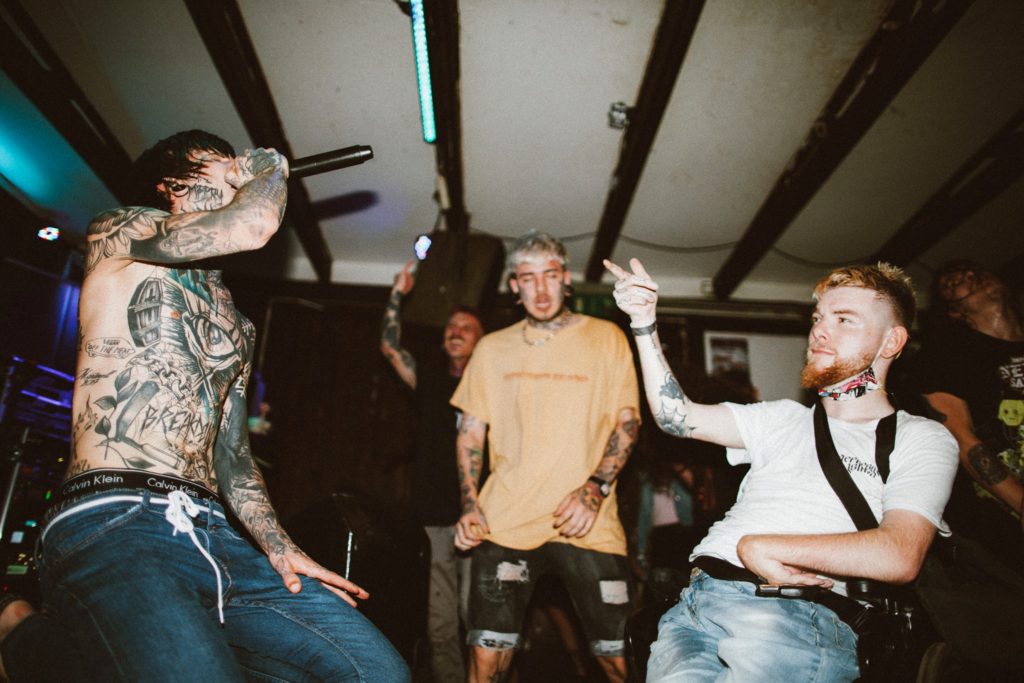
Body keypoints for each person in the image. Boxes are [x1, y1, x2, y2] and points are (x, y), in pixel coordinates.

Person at [0, 130, 408, 682]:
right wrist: (266, 167)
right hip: (118, 515)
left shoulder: (237, 324)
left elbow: (233, 456)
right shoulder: (120, 234)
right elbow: (253, 226)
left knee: (378, 673)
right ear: (172, 184)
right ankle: (21, 635)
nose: (238, 169)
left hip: (218, 532)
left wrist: (280, 547)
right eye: (223, 164)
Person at [604, 257, 958, 682]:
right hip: (694, 607)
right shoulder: (782, 417)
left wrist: (765, 548)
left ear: (891, 341)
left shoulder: (920, 437)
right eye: (818, 318)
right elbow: (676, 417)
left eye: (844, 319)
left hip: (792, 612)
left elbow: (899, 554)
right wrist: (643, 322)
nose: (820, 330)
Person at [451, 231, 640, 683]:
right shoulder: (491, 348)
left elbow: (628, 423)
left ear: (566, 279)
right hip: (506, 521)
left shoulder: (607, 338)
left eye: (549, 276)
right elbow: (470, 433)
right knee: (485, 662)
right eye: (528, 278)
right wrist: (470, 505)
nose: (539, 289)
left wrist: (595, 488)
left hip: (589, 524)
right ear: (514, 286)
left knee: (620, 661)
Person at [380, 259, 485, 682]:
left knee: (479, 620)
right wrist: (397, 294)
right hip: (433, 519)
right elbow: (390, 347)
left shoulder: (492, 385)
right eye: (451, 326)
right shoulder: (429, 379)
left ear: (482, 341)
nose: (455, 331)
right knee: (440, 625)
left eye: (466, 328)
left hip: (483, 520)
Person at [913, 261, 1024, 571]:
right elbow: (961, 439)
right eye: (954, 281)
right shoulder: (946, 354)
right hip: (995, 530)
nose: (971, 278)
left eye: (977, 272)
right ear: (953, 311)